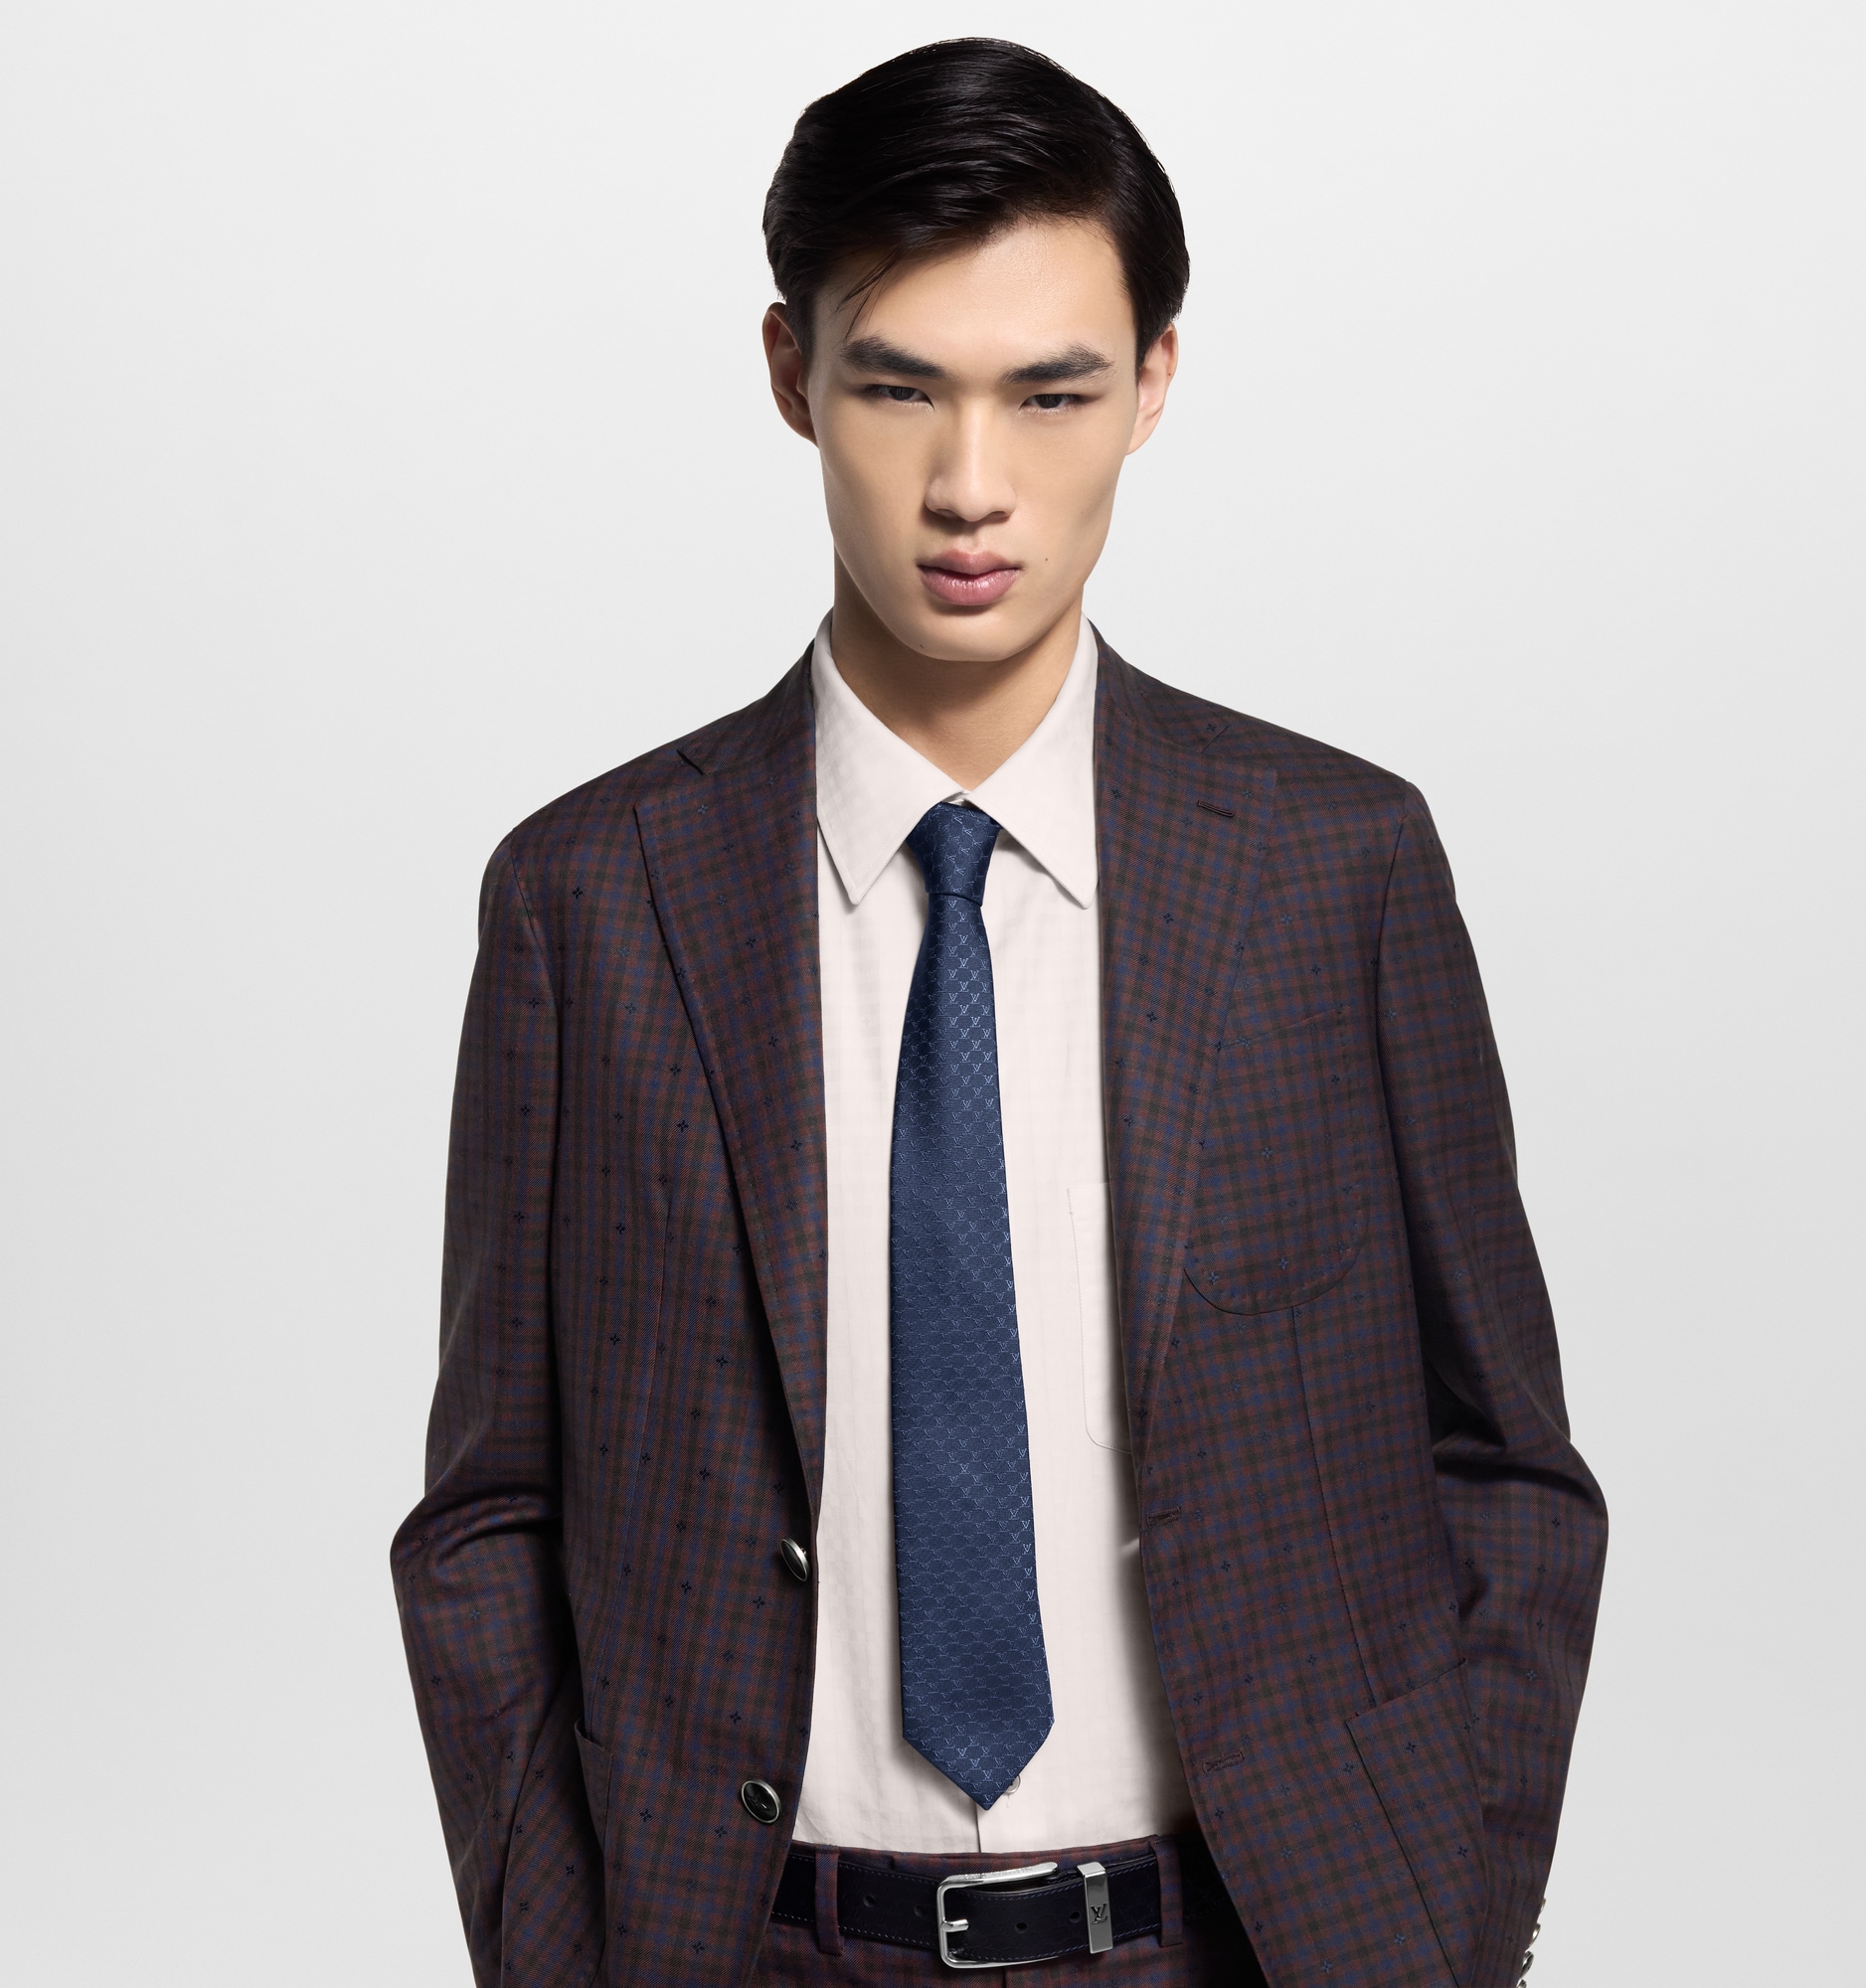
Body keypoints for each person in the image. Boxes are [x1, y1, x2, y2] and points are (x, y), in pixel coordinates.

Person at [392, 38, 1606, 1988]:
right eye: (899, 389)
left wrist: (1442, 1925)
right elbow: (488, 1510)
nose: (973, 487)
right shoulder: (590, 902)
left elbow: (1507, 1466)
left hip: (1243, 1943)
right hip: (755, 1950)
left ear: (1153, 382)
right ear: (790, 374)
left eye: (1051, 394)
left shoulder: (1335, 869)